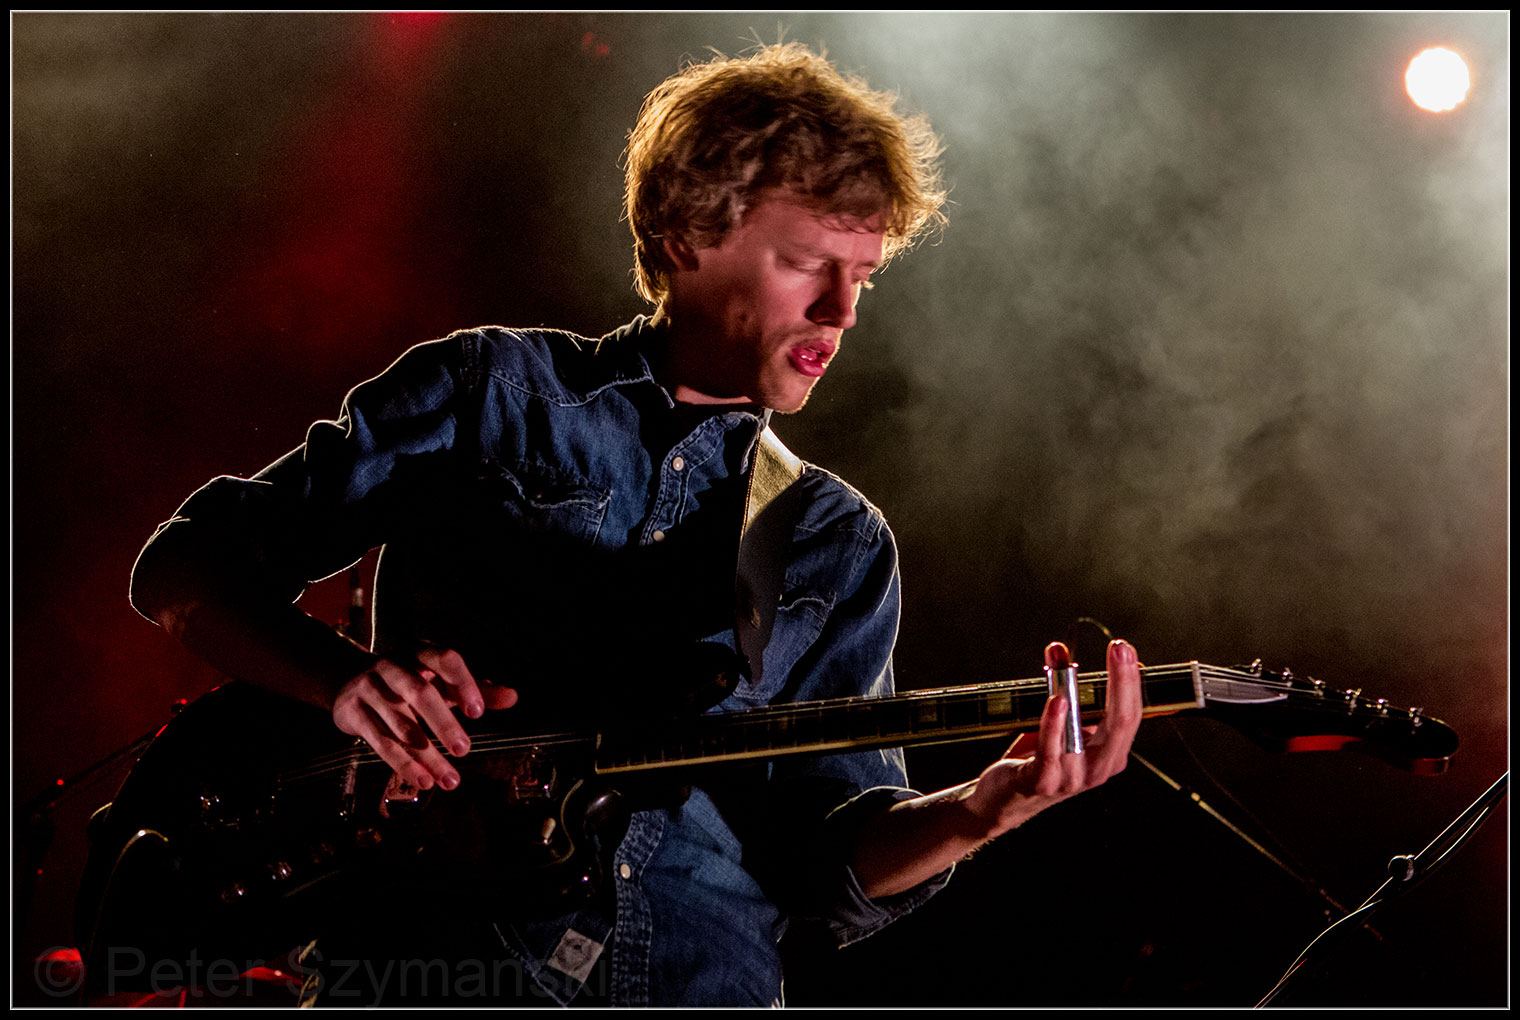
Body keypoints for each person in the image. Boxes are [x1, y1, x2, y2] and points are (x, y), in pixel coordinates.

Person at [127, 43, 1142, 1006]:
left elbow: (824, 859)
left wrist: (983, 809)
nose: (841, 311)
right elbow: (182, 570)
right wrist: (345, 682)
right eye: (806, 263)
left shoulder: (836, 540)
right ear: (686, 237)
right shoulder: (496, 394)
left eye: (862, 276)